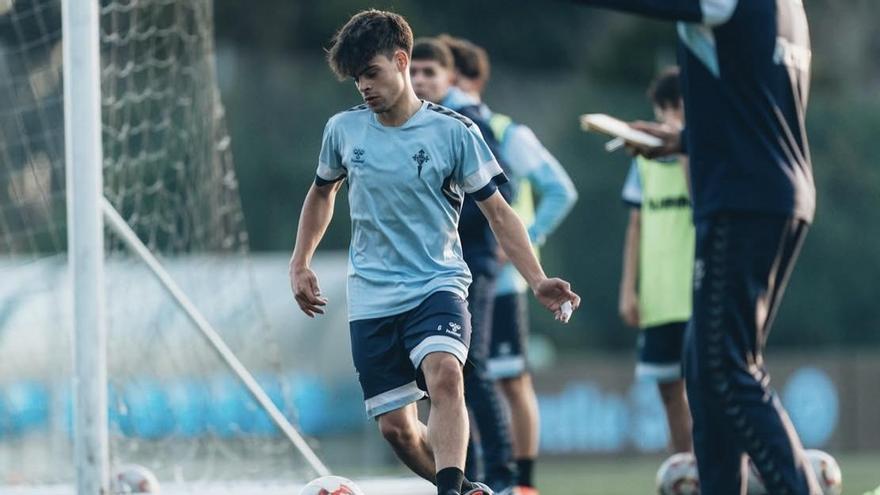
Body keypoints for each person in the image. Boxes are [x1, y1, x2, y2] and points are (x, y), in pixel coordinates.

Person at [288, 10, 580, 495]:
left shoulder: (455, 132)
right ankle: (465, 490)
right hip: (372, 295)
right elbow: (322, 194)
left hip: (437, 284)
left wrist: (537, 278)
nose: (363, 85)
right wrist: (300, 263)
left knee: (446, 375)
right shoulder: (343, 130)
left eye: (372, 72)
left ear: (401, 61)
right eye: (357, 77)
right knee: (397, 430)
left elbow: (500, 214)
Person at [571, 1, 819, 493]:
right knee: (706, 372)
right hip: (771, 190)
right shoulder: (789, 7)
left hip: (740, 196)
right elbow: (755, 105)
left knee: (724, 367)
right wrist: (682, 141)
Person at [438, 34, 579, 495]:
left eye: (442, 72)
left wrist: (524, 243)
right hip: (454, 277)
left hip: (502, 281)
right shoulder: (435, 128)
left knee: (510, 379)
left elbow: (560, 189)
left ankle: (523, 482)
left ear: (464, 78)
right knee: (462, 377)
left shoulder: (502, 131)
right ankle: (475, 472)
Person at [410, 37, 517, 493]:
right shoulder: (409, 126)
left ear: (449, 79)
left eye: (429, 73)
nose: (419, 81)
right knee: (445, 378)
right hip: (433, 270)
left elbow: (498, 194)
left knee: (472, 367)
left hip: (470, 262)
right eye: (413, 73)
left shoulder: (466, 123)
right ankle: (463, 473)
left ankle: (503, 476)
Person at [618, 66, 693, 454]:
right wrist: (628, 288)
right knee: (669, 389)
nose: (668, 118)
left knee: (709, 390)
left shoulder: (704, 151)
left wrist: (683, 144)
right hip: (660, 292)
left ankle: (725, 474)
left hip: (698, 290)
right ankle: (688, 471)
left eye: (677, 108)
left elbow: (700, 195)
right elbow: (636, 225)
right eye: (664, 109)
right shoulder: (643, 161)